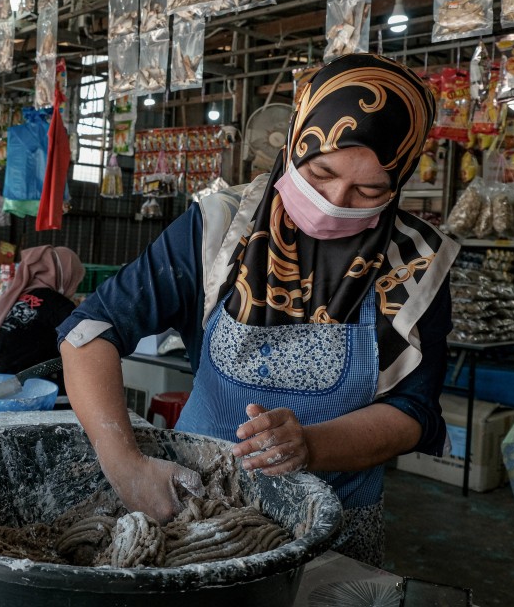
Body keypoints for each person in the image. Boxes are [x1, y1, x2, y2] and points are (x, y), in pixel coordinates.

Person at [58, 53, 460, 566]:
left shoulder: (418, 263)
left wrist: (310, 446)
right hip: (193, 514)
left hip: (332, 527)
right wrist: (125, 464)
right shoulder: (220, 228)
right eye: (320, 173)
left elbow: (414, 411)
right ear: (295, 142)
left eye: (369, 190)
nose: (336, 201)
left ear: (399, 179)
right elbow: (90, 330)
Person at [0, 245, 85, 387]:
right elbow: (77, 349)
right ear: (66, 275)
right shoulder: (59, 305)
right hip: (24, 388)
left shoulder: (16, 296)